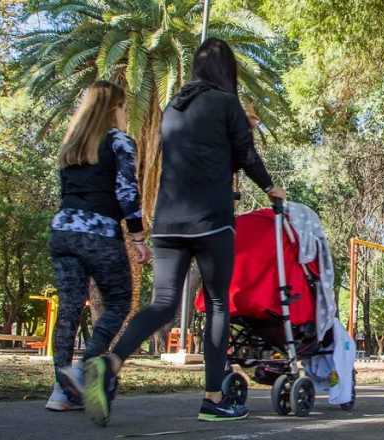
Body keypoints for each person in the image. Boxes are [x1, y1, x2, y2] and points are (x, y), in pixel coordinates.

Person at [82, 37, 285, 426]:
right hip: (210, 221)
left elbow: (200, 153)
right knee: (218, 304)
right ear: (227, 70)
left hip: (168, 222)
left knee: (162, 303)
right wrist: (270, 186)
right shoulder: (226, 103)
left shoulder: (174, 105)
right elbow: (245, 154)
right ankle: (213, 399)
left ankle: (111, 362)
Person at [46, 81, 151, 411]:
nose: (124, 113)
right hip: (99, 233)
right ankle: (84, 370)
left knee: (69, 308)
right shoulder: (119, 141)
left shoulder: (70, 146)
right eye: (123, 107)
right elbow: (127, 192)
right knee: (119, 300)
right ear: (114, 108)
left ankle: (61, 389)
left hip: (63, 231)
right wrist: (138, 236)